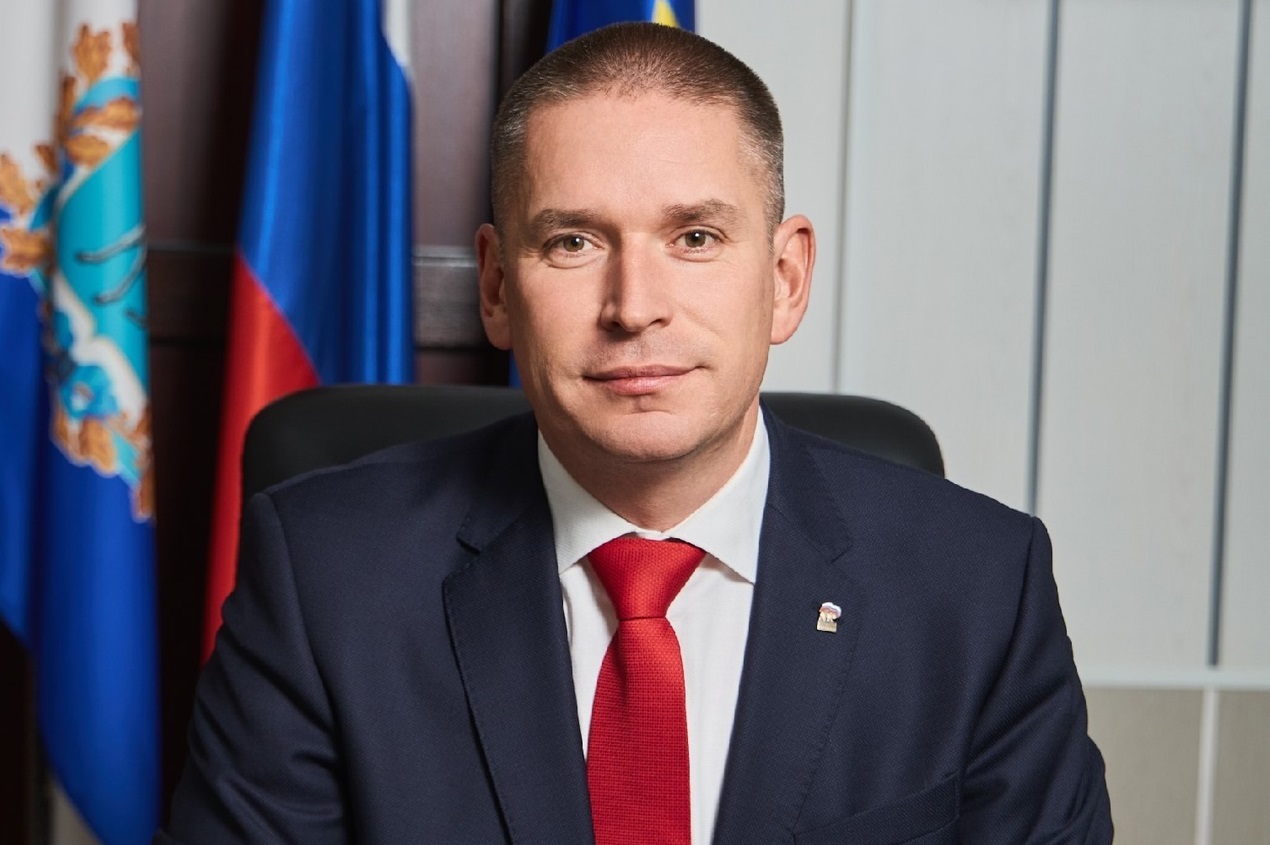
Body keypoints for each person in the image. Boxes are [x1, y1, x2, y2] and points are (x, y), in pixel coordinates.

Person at [158, 22, 1112, 845]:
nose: (634, 306)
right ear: (497, 286)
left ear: (785, 278)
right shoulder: (326, 577)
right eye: (573, 241)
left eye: (695, 237)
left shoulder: (981, 589)